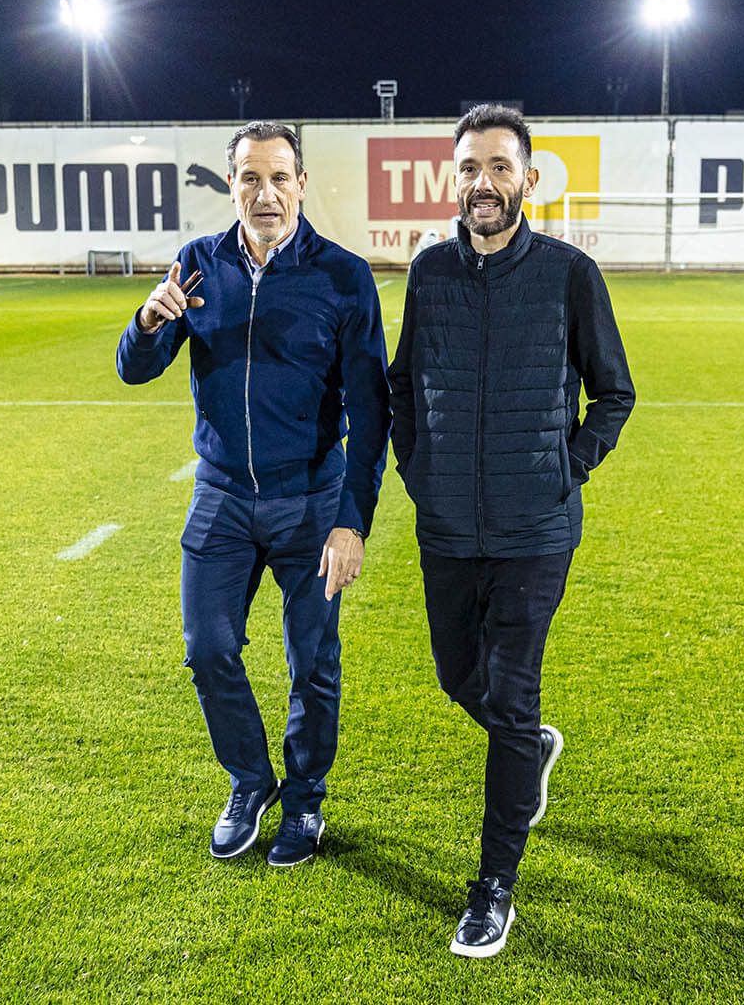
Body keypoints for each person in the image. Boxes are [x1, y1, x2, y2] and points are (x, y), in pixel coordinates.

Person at [387, 104, 635, 956]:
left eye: (499, 166)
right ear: (453, 179)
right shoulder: (429, 272)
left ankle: (493, 887)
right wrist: (417, 469)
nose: (483, 182)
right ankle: (529, 746)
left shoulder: (569, 274)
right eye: (470, 167)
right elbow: (403, 383)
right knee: (459, 677)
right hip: (448, 528)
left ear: (529, 178)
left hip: (536, 531)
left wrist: (566, 468)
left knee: (513, 692)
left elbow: (614, 393)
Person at [117, 121, 389, 867]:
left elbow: (372, 414)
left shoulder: (343, 276)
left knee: (313, 663)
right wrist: (147, 322)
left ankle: (304, 802)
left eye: (278, 178)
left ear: (301, 183)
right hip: (222, 497)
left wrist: (351, 521)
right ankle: (249, 781)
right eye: (250, 178)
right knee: (208, 649)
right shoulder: (198, 264)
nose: (265, 194)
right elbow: (136, 368)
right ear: (231, 183)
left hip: (312, 501)